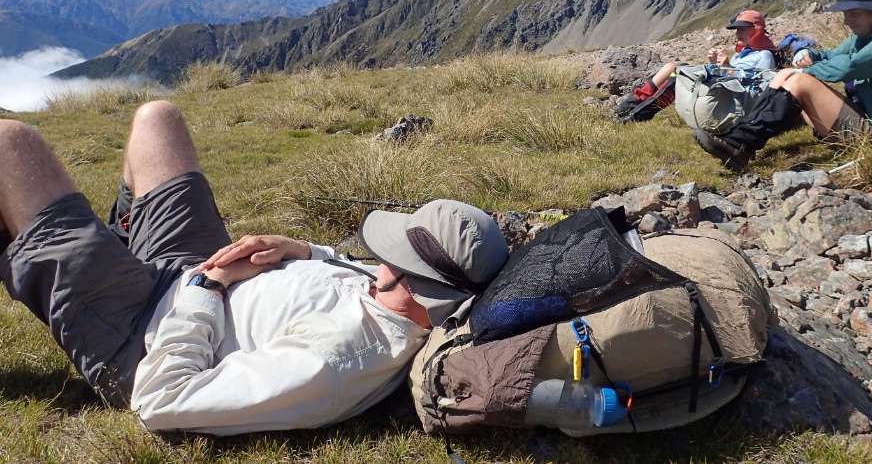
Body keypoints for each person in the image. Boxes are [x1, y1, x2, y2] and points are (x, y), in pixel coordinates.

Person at [0, 100, 508, 435]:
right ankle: (114, 244)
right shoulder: (397, 298)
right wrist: (303, 250)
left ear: (410, 282)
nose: (378, 259)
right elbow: (357, 274)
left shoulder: (334, 363)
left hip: (143, 335)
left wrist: (207, 287)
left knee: (10, 145)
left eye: (392, 255)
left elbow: (162, 400)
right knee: (159, 119)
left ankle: (72, 257)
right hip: (189, 276)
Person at [694, 0, 872, 170]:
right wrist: (813, 55)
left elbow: (850, 66)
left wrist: (806, 73)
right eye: (845, 13)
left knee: (800, 82)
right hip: (867, 120)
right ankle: (739, 142)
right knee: (784, 75)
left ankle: (739, 146)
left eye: (854, 12)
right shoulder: (869, 32)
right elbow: (833, 54)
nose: (847, 20)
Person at [616, 10, 779, 121]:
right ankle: (626, 107)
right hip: (722, 90)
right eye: (737, 29)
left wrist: (727, 66)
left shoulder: (764, 55)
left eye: (742, 29)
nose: (737, 33)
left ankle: (634, 117)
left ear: (756, 30)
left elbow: (758, 86)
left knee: (679, 78)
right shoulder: (742, 53)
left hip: (731, 101)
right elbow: (731, 75)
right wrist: (717, 66)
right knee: (672, 68)